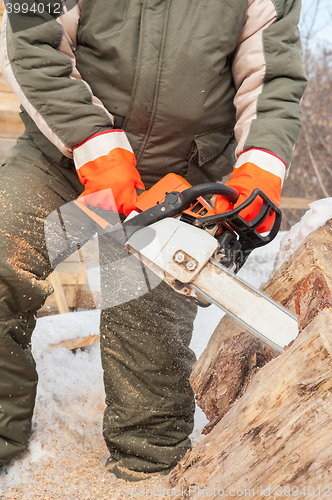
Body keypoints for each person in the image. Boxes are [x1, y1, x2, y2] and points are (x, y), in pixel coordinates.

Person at [0, 0, 306, 482]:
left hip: (180, 174)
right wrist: (93, 145)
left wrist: (259, 167)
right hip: (66, 158)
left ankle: (146, 468)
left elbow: (273, 77)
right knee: (4, 259)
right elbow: (33, 39)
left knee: (149, 336)